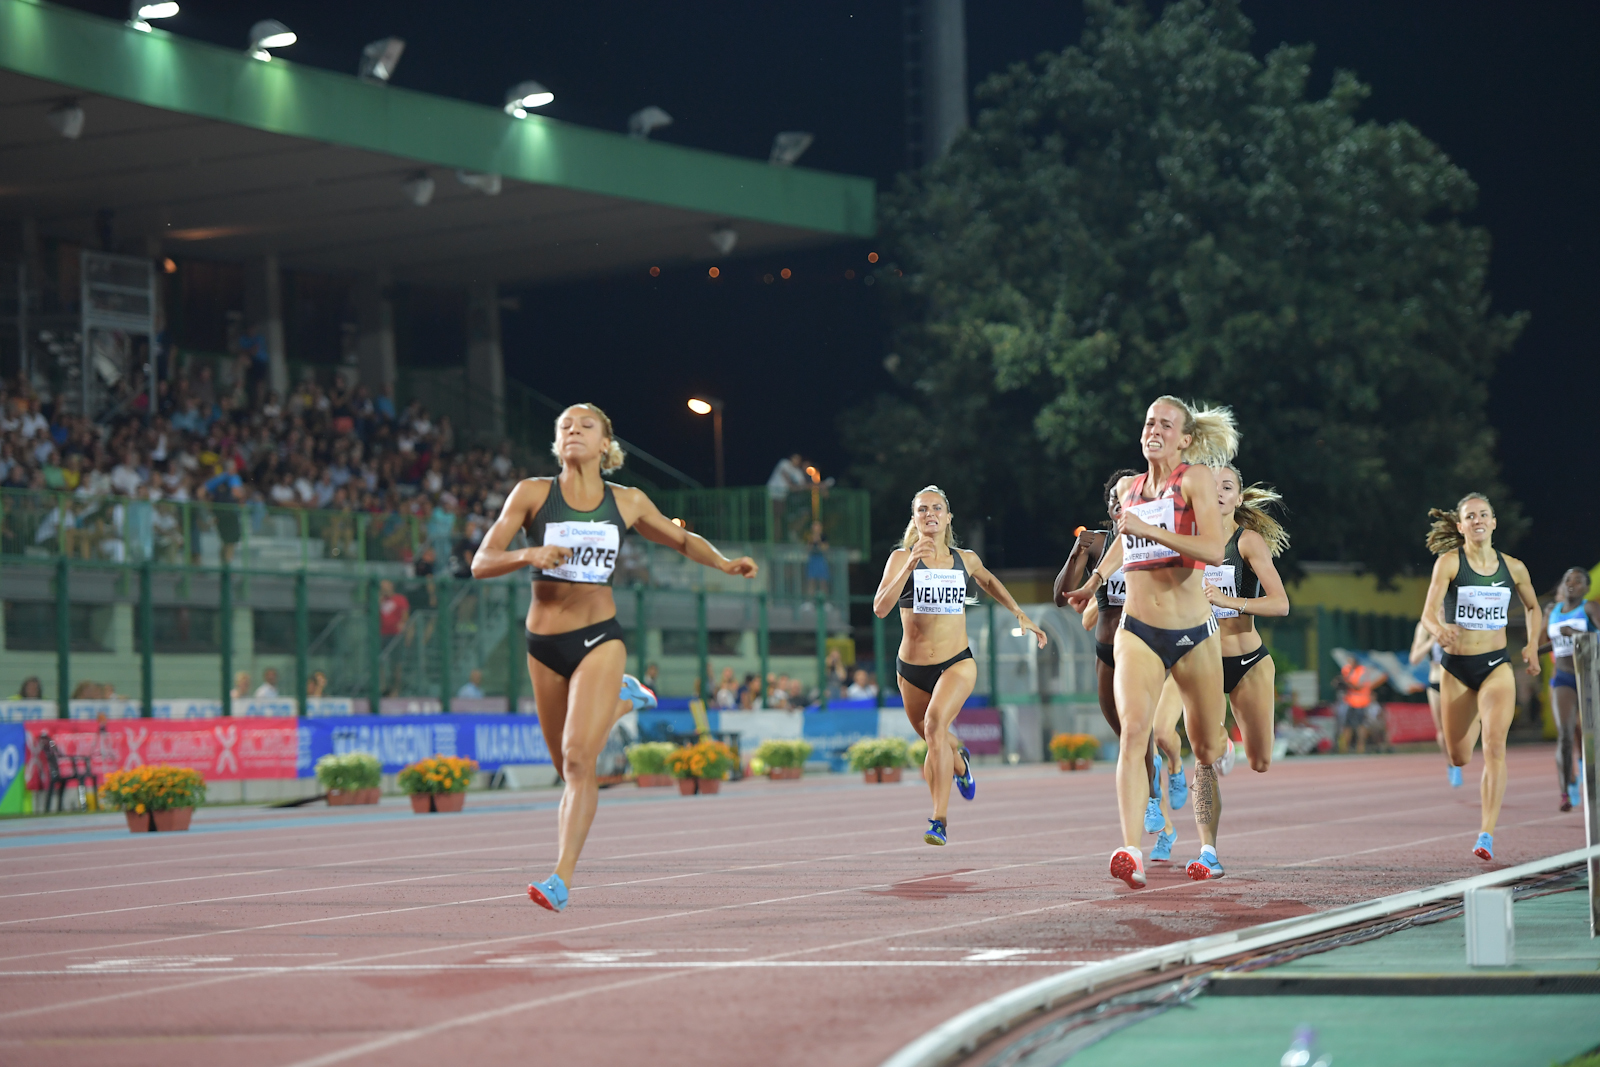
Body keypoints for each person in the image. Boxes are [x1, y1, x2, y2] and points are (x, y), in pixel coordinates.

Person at [473, 402, 758, 913]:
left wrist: (723, 563)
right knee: (566, 766)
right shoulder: (532, 493)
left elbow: (680, 538)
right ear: (557, 442)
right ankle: (624, 700)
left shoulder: (626, 501)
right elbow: (481, 561)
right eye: (565, 425)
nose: (574, 431)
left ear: (605, 444)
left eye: (586, 426)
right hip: (543, 644)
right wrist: (529, 554)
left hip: (598, 639)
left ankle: (560, 878)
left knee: (579, 759)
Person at [1066, 397, 1234, 889]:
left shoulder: (1194, 479)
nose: (1153, 430)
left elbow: (1213, 549)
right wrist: (1094, 581)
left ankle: (1218, 763)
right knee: (1135, 733)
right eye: (1148, 423)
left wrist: (1150, 529)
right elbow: (1125, 539)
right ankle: (1130, 850)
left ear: (1185, 438)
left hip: (1192, 633)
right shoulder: (1130, 489)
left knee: (1206, 748)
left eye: (1165, 424)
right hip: (1137, 630)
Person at [873, 485, 1046, 846]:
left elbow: (989, 580)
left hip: (957, 662)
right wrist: (909, 564)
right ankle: (960, 761)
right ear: (914, 518)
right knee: (933, 738)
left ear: (948, 517)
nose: (930, 514)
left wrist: (1019, 612)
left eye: (937, 508)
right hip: (911, 669)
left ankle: (938, 820)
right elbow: (880, 608)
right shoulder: (900, 558)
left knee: (935, 726)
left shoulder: (964, 559)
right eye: (922, 509)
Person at [1057, 469, 1184, 852]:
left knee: (1146, 733)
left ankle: (1163, 784)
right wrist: (1076, 553)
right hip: (1107, 650)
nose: (1118, 501)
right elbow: (1061, 597)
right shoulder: (1097, 542)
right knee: (1129, 735)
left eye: (1125, 495)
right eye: (1113, 497)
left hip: (1148, 646)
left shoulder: (1157, 538)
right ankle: (1164, 822)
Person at [1420, 494, 1542, 861]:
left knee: (1494, 747)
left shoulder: (1514, 568)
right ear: (1460, 526)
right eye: (1470, 516)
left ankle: (1486, 834)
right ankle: (1472, 717)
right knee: (1459, 756)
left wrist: (1532, 645)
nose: (1477, 520)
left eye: (1483, 514)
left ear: (1493, 522)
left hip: (1496, 666)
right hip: (1456, 668)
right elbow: (1427, 613)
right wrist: (1439, 630)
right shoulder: (1449, 563)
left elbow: (1533, 607)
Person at [1203, 463, 1290, 773]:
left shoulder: (1246, 541)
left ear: (1238, 498)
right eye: (1211, 486)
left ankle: (1223, 745)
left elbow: (1280, 604)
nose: (1218, 492)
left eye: (1226, 487)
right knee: (1205, 752)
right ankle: (1216, 744)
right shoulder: (1186, 543)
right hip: (1203, 659)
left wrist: (1229, 601)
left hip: (1247, 661)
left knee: (1260, 761)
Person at [1541, 567, 1598, 812]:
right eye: (1567, 580)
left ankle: (1591, 779)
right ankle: (1566, 790)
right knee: (1565, 734)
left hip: (1590, 677)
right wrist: (1531, 654)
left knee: (1591, 735)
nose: (1571, 583)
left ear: (1586, 587)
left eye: (1578, 580)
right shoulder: (1552, 611)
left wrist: (1576, 633)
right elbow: (1550, 643)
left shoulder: (1589, 608)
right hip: (1563, 677)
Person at [1409, 620, 1470, 787]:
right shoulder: (1425, 626)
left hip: (1456, 681)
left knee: (1458, 729)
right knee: (1442, 732)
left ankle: (1458, 756)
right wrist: (1431, 641)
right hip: (1436, 681)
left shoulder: (1459, 621)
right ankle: (1452, 764)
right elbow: (1414, 658)